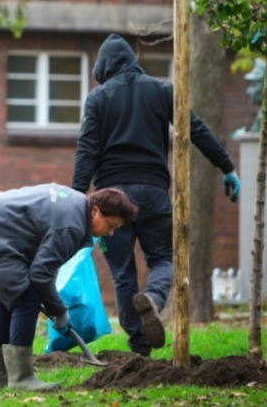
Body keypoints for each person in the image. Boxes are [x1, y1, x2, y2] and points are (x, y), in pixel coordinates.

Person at [72, 33, 241, 356]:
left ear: (104, 68)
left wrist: (77, 196)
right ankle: (154, 297)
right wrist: (227, 167)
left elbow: (87, 149)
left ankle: (139, 347)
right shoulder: (162, 90)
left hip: (110, 200)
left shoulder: (98, 98)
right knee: (164, 259)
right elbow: (196, 129)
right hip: (153, 194)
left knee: (123, 273)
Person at [0, 184, 138, 391]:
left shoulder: (75, 204)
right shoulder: (72, 225)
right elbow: (41, 274)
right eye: (111, 225)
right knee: (26, 301)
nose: (111, 233)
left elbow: (39, 265)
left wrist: (53, 306)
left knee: (4, 306)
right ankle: (21, 379)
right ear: (95, 211)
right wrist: (60, 311)